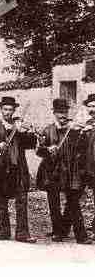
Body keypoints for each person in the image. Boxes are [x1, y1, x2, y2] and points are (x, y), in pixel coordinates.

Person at [0, 96, 37, 243]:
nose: (8, 112)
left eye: (10, 110)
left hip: (17, 169)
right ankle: (4, 232)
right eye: (5, 109)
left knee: (21, 200)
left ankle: (22, 234)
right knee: (2, 201)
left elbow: (30, 144)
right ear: (1, 110)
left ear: (14, 110)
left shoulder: (19, 126)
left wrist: (27, 132)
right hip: (0, 169)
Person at [36, 98, 92, 244]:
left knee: (73, 202)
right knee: (54, 203)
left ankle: (81, 236)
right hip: (51, 170)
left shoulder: (73, 128)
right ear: (54, 113)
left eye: (65, 112)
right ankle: (57, 232)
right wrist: (47, 149)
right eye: (60, 112)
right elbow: (39, 150)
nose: (63, 115)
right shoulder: (47, 130)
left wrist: (81, 133)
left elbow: (81, 147)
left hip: (69, 170)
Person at [80, 94, 95, 236]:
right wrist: (81, 132)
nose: (92, 109)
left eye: (94, 106)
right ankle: (63, 228)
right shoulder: (86, 124)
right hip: (86, 167)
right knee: (74, 195)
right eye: (90, 106)